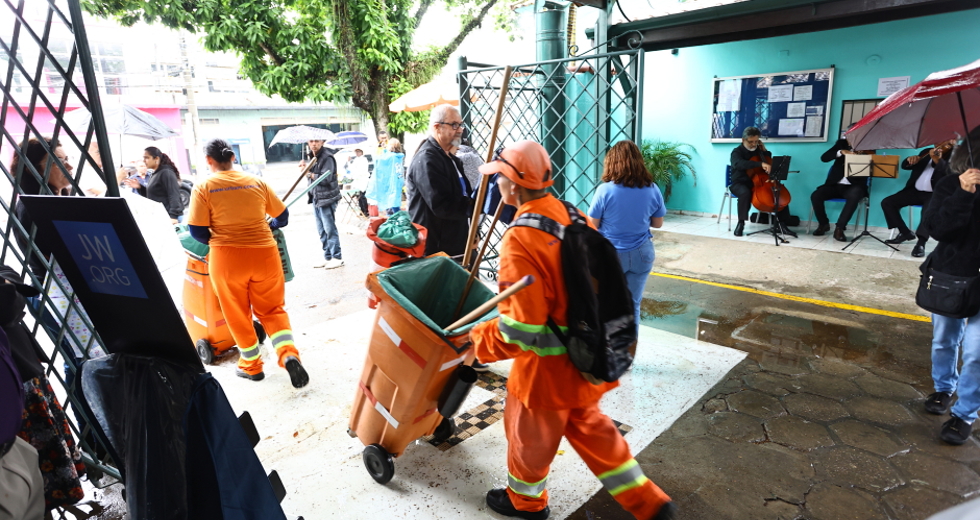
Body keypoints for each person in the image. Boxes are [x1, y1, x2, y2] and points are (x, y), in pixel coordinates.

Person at [470, 140, 675, 520]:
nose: (496, 184)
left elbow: (520, 327)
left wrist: (478, 341)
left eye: (498, 177)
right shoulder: (569, 213)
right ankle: (650, 503)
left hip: (543, 376)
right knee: (599, 437)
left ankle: (526, 503)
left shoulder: (520, 237)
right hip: (584, 359)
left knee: (527, 443)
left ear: (514, 185)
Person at [187, 138, 309, 388]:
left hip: (227, 258)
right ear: (233, 157)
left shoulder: (204, 187)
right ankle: (288, 354)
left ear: (209, 160)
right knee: (273, 310)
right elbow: (282, 217)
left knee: (237, 313)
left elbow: (197, 232)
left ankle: (252, 366)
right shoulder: (256, 181)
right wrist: (269, 225)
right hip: (264, 254)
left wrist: (221, 239)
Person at [920, 125, 980, 446]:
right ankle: (944, 388)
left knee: (977, 352)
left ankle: (966, 413)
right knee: (945, 339)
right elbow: (936, 229)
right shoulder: (948, 184)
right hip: (950, 277)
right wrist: (963, 194)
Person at [588, 140, 666, 331]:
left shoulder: (605, 190)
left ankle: (608, 354)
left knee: (606, 305)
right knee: (633, 305)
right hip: (642, 253)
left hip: (611, 256)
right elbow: (658, 223)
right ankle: (628, 357)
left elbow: (592, 226)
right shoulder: (652, 188)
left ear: (612, 162)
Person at [406, 104, 475, 256]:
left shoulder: (450, 159)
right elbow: (442, 205)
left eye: (461, 125)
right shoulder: (427, 159)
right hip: (436, 249)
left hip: (455, 245)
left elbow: (462, 195)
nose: (460, 130)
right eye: (454, 125)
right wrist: (475, 205)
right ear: (437, 127)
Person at [882, 140, 954, 257]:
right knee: (887, 202)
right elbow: (905, 166)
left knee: (927, 212)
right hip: (914, 191)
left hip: (935, 194)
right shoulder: (926, 152)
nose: (940, 142)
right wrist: (911, 160)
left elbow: (951, 175)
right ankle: (905, 233)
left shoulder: (956, 155)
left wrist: (938, 161)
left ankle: (921, 244)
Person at [729, 127, 796, 237]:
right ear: (743, 140)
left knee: (777, 192)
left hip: (760, 182)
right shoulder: (737, 152)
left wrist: (765, 152)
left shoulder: (759, 150)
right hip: (740, 182)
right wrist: (760, 164)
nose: (753, 144)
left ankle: (782, 225)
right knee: (745, 193)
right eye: (751, 142)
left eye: (756, 141)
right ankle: (741, 223)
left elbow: (768, 163)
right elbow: (739, 164)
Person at [810, 137, 873, 242]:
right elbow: (824, 158)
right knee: (816, 195)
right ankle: (823, 224)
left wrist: (863, 156)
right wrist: (840, 152)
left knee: (855, 194)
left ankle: (839, 228)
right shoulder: (841, 144)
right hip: (834, 185)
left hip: (854, 186)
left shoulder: (868, 146)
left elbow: (873, 164)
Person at [302, 139, 343, 269]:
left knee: (329, 228)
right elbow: (313, 176)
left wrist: (308, 173)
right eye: (311, 141)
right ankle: (328, 256)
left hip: (327, 198)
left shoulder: (327, 157)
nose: (313, 144)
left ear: (322, 142)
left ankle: (337, 257)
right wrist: (305, 168)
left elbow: (326, 178)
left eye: (316, 141)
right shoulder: (313, 156)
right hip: (316, 197)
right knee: (321, 229)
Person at [135, 147, 183, 224]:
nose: (144, 161)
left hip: (169, 218)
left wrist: (173, 216)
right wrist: (140, 188)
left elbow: (174, 195)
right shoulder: (155, 173)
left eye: (146, 158)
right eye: (143, 158)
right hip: (161, 216)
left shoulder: (166, 172)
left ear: (156, 159)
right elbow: (153, 196)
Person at [368, 138, 406, 215]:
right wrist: (384, 149)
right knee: (395, 203)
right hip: (397, 182)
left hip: (391, 183)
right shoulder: (398, 157)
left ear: (391, 146)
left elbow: (379, 159)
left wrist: (378, 149)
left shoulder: (391, 157)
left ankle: (393, 221)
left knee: (391, 206)